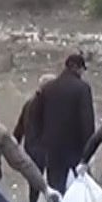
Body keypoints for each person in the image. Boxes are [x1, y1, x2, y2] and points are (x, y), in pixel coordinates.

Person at [32, 53, 96, 193]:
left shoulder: (48, 88)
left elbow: (36, 116)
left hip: (52, 147)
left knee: (55, 188)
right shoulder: (82, 88)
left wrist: (40, 140)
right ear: (77, 68)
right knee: (85, 185)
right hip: (75, 147)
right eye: (82, 70)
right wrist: (90, 148)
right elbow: (87, 120)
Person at [13, 73, 55, 202]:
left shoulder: (29, 102)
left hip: (30, 148)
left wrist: (15, 143)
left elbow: (20, 127)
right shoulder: (48, 104)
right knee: (52, 182)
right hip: (44, 149)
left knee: (34, 184)